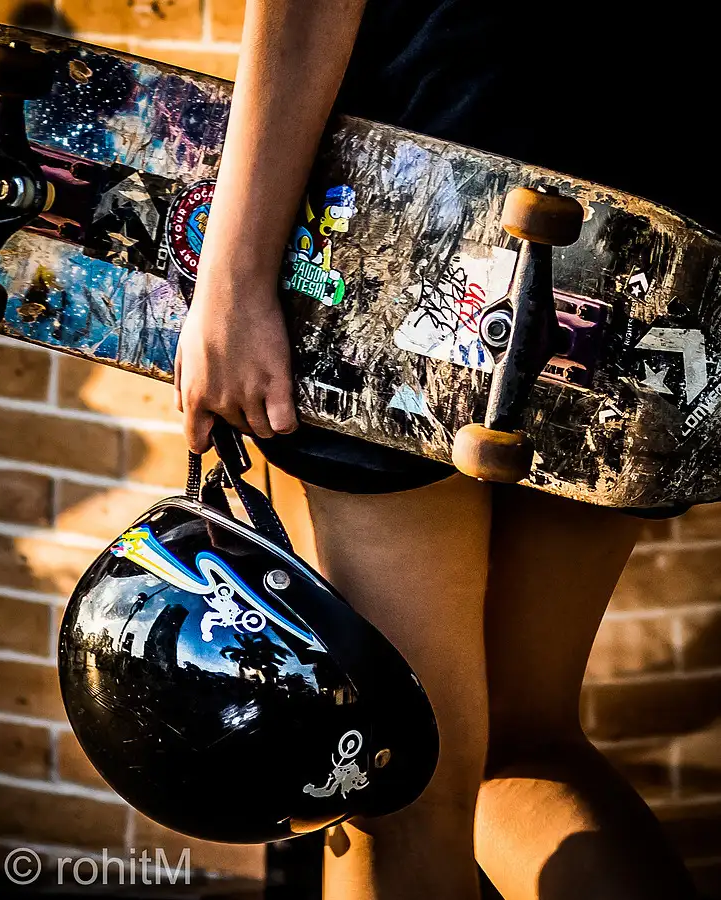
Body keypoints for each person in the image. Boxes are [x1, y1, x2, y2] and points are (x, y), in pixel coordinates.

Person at [175, 3, 707, 898]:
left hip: (426, 189)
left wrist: (231, 274)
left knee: (394, 780)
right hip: (650, 219)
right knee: (525, 745)